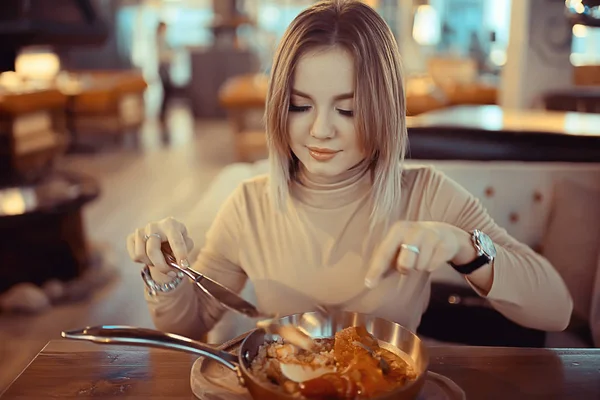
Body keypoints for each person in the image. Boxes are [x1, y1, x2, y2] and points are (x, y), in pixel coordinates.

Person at [127, 0, 572, 340]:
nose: (321, 130)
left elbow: (557, 309)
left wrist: (462, 246)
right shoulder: (249, 206)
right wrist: (164, 274)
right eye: (300, 106)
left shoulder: (426, 195)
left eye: (349, 110)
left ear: (383, 111)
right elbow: (189, 327)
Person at [156, 21, 174, 124]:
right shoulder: (160, 39)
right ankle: (163, 112)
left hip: (165, 67)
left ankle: (164, 111)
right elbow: (163, 55)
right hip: (163, 67)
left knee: (167, 91)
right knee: (166, 90)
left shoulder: (163, 38)